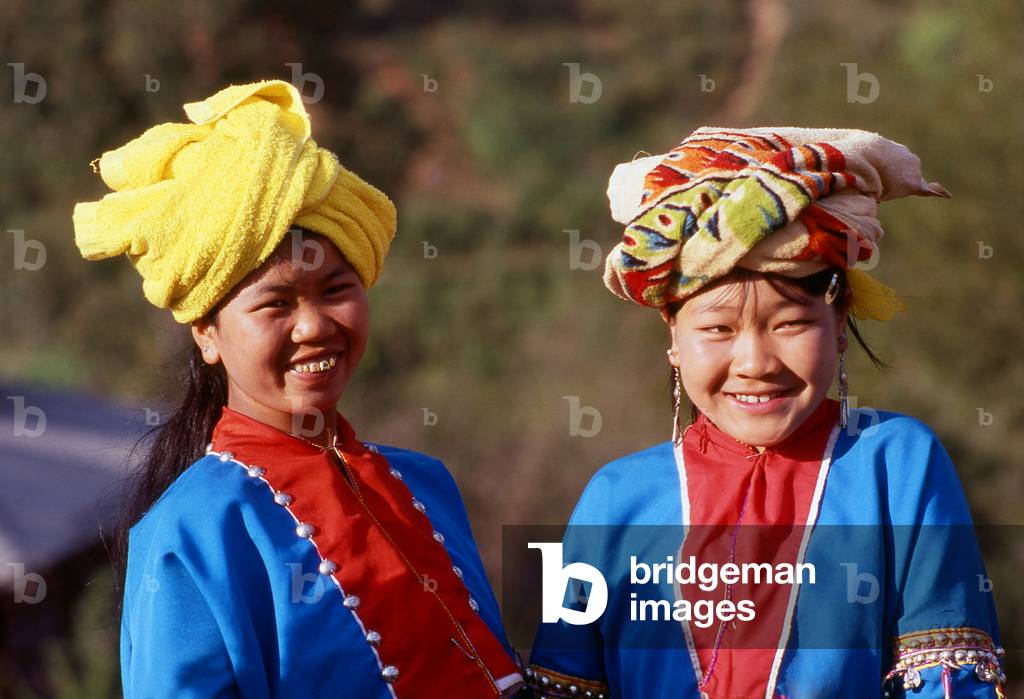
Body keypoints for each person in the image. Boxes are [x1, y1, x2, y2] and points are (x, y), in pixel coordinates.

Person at [73, 80, 524, 698]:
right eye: (276, 303)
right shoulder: (193, 528)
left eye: (335, 290)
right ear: (207, 334)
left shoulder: (425, 484)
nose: (314, 327)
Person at [526, 128, 1005, 698]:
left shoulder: (896, 464)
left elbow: (948, 681)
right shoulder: (616, 497)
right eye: (717, 329)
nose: (754, 363)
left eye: (790, 324)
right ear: (672, 336)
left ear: (840, 322)